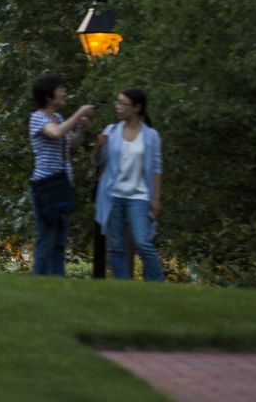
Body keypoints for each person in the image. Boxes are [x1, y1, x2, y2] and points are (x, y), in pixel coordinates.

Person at [29, 75, 98, 277]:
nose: (64, 93)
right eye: (61, 90)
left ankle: (57, 284)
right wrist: (79, 113)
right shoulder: (38, 118)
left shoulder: (58, 118)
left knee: (60, 241)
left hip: (62, 185)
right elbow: (56, 133)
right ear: (49, 96)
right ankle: (37, 282)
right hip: (45, 186)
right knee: (46, 240)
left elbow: (72, 144)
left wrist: (81, 128)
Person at [96, 87, 165, 281]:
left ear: (136, 107)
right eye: (117, 103)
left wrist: (156, 198)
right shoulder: (111, 131)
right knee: (116, 247)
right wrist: (98, 145)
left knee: (143, 242)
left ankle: (158, 282)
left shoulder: (151, 136)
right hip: (113, 196)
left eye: (122, 103)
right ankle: (122, 285)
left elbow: (156, 168)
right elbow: (98, 161)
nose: (118, 107)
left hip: (139, 197)